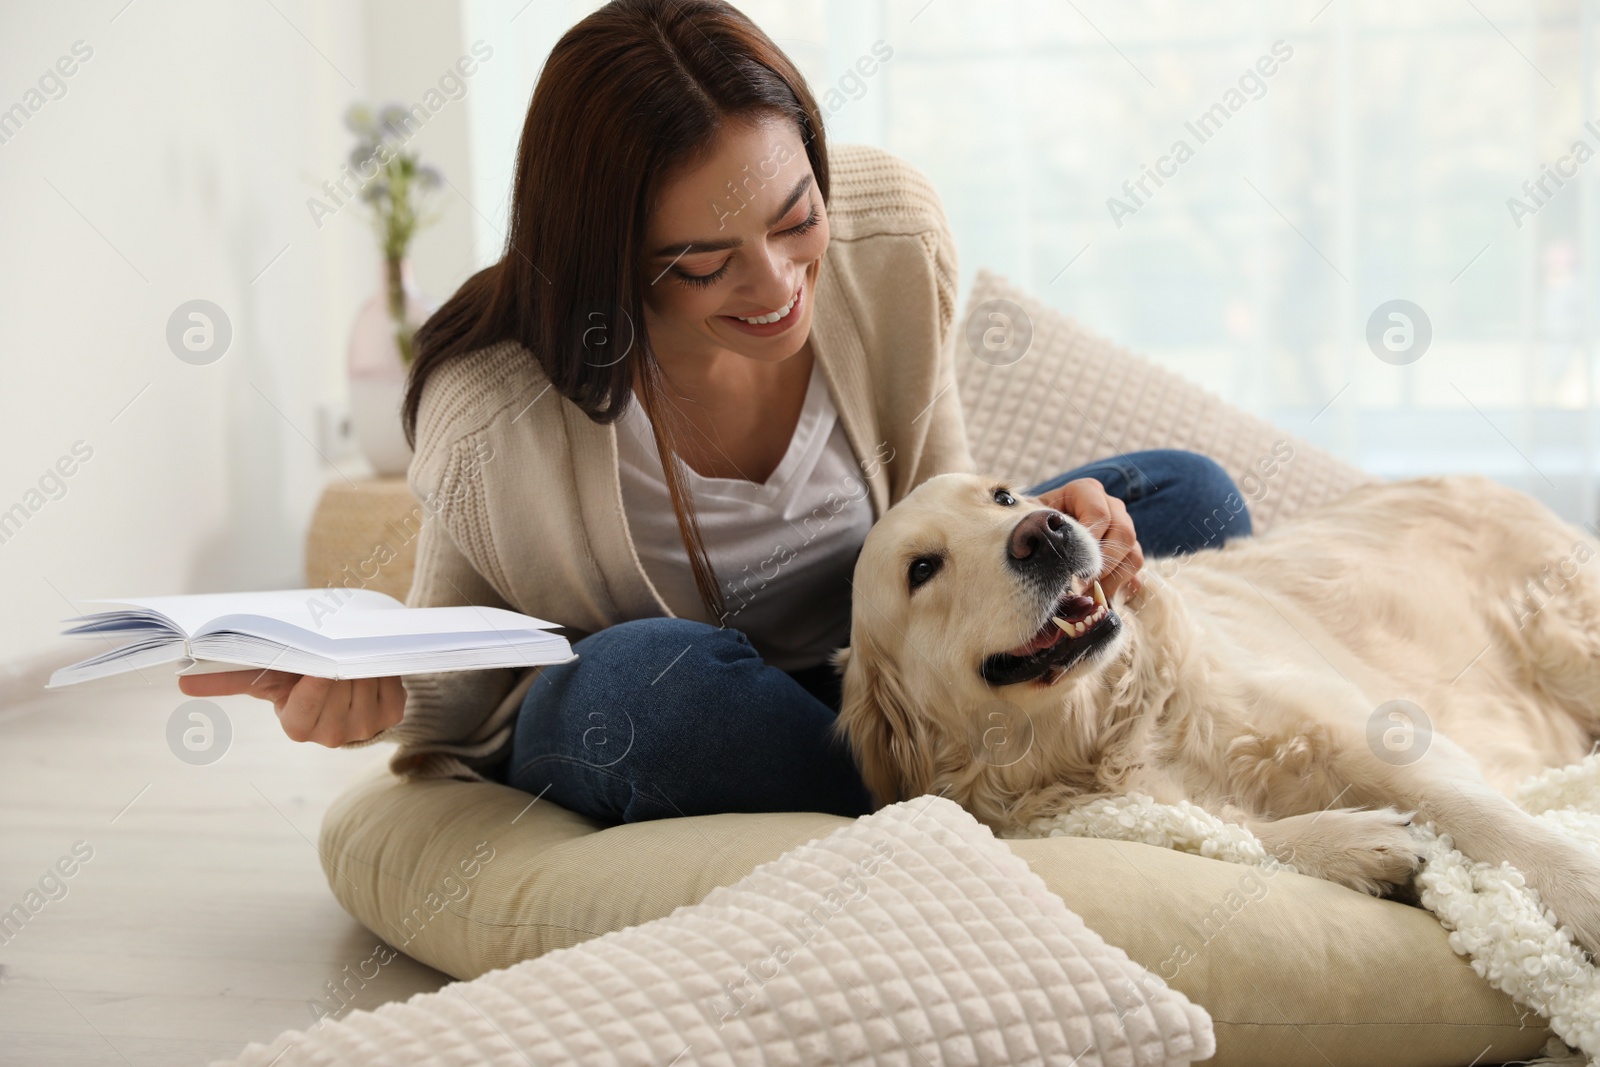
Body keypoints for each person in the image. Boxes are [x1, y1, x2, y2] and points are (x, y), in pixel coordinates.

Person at [179, 0, 1251, 824]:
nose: (778, 281)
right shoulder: (495, 415)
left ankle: (935, 789)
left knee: (1185, 496)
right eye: (705, 262)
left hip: (878, 657)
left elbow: (940, 491)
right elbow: (461, 688)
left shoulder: (888, 238)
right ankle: (952, 807)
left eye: (796, 219)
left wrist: (1041, 541)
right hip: (701, 697)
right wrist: (365, 694)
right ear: (608, 265)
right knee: (647, 696)